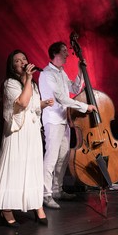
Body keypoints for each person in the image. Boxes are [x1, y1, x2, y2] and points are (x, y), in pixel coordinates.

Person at [0, 49, 53, 227]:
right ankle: (6, 208)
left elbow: (31, 104)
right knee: (13, 168)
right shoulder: (10, 83)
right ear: (12, 66)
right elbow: (22, 103)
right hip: (16, 132)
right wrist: (29, 79)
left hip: (31, 131)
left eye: (24, 59)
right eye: (17, 60)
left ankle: (36, 205)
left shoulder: (34, 85)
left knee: (32, 167)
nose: (22, 62)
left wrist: (42, 104)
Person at [38, 41, 97, 209]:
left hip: (64, 119)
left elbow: (75, 87)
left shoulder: (61, 73)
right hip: (53, 120)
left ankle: (57, 190)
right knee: (51, 158)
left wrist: (80, 70)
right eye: (64, 51)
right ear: (55, 53)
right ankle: (46, 194)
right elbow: (61, 98)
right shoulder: (47, 74)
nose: (67, 54)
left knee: (63, 157)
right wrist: (86, 107)